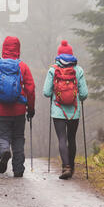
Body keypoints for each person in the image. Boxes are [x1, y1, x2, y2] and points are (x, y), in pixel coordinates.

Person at [0, 36, 35, 178]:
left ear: (3, 48)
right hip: (19, 109)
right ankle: (18, 169)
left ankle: (5, 151)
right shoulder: (23, 66)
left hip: (1, 109)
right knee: (18, 138)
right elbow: (30, 89)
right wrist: (30, 109)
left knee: (2, 135)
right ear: (18, 49)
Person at [43, 40, 88, 179]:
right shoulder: (78, 70)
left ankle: (65, 167)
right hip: (74, 112)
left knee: (62, 139)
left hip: (58, 111)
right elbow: (84, 94)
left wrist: (55, 93)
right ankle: (72, 167)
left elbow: (46, 92)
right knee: (71, 138)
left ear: (58, 54)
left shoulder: (53, 69)